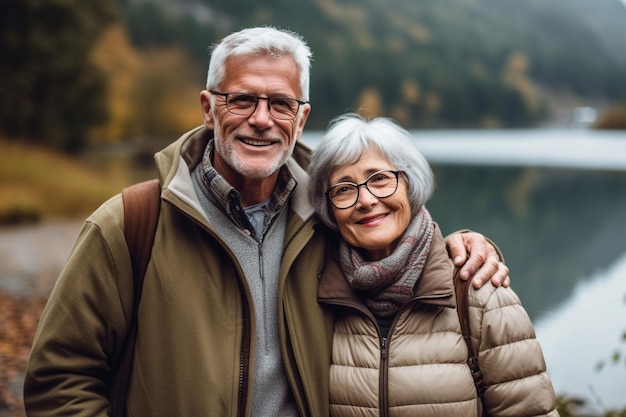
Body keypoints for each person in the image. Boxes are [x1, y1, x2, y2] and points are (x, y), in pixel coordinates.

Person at [24, 27, 509, 417]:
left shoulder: (330, 215)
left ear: (301, 118)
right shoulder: (131, 222)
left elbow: (400, 237)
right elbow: (59, 378)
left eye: (280, 103)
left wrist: (465, 246)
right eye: (242, 100)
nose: (261, 119)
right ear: (209, 107)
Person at [308, 113, 558, 416]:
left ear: (410, 184)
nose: (365, 200)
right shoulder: (317, 296)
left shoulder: (479, 292)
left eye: (380, 179)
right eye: (344, 188)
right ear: (329, 208)